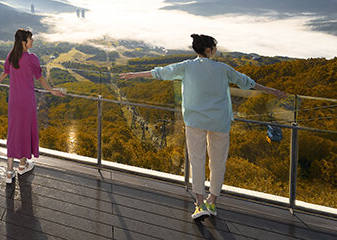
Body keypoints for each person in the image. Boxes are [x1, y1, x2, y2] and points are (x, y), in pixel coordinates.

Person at [119, 34, 287, 220]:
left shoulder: (186, 66)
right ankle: (212, 202)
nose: (216, 50)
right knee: (217, 163)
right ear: (209, 50)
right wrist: (273, 91)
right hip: (219, 123)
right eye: (214, 47)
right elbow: (247, 82)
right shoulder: (223, 69)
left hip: (195, 121)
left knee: (196, 162)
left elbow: (161, 72)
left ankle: (199, 204)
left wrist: (135, 75)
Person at [0, 28, 65, 184]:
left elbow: (5, 72)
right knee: (25, 131)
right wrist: (51, 90)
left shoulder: (12, 56)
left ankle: (10, 171)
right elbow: (40, 78)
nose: (32, 41)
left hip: (14, 101)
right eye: (30, 39)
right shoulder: (31, 58)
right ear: (24, 42)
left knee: (14, 131)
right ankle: (22, 166)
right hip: (27, 101)